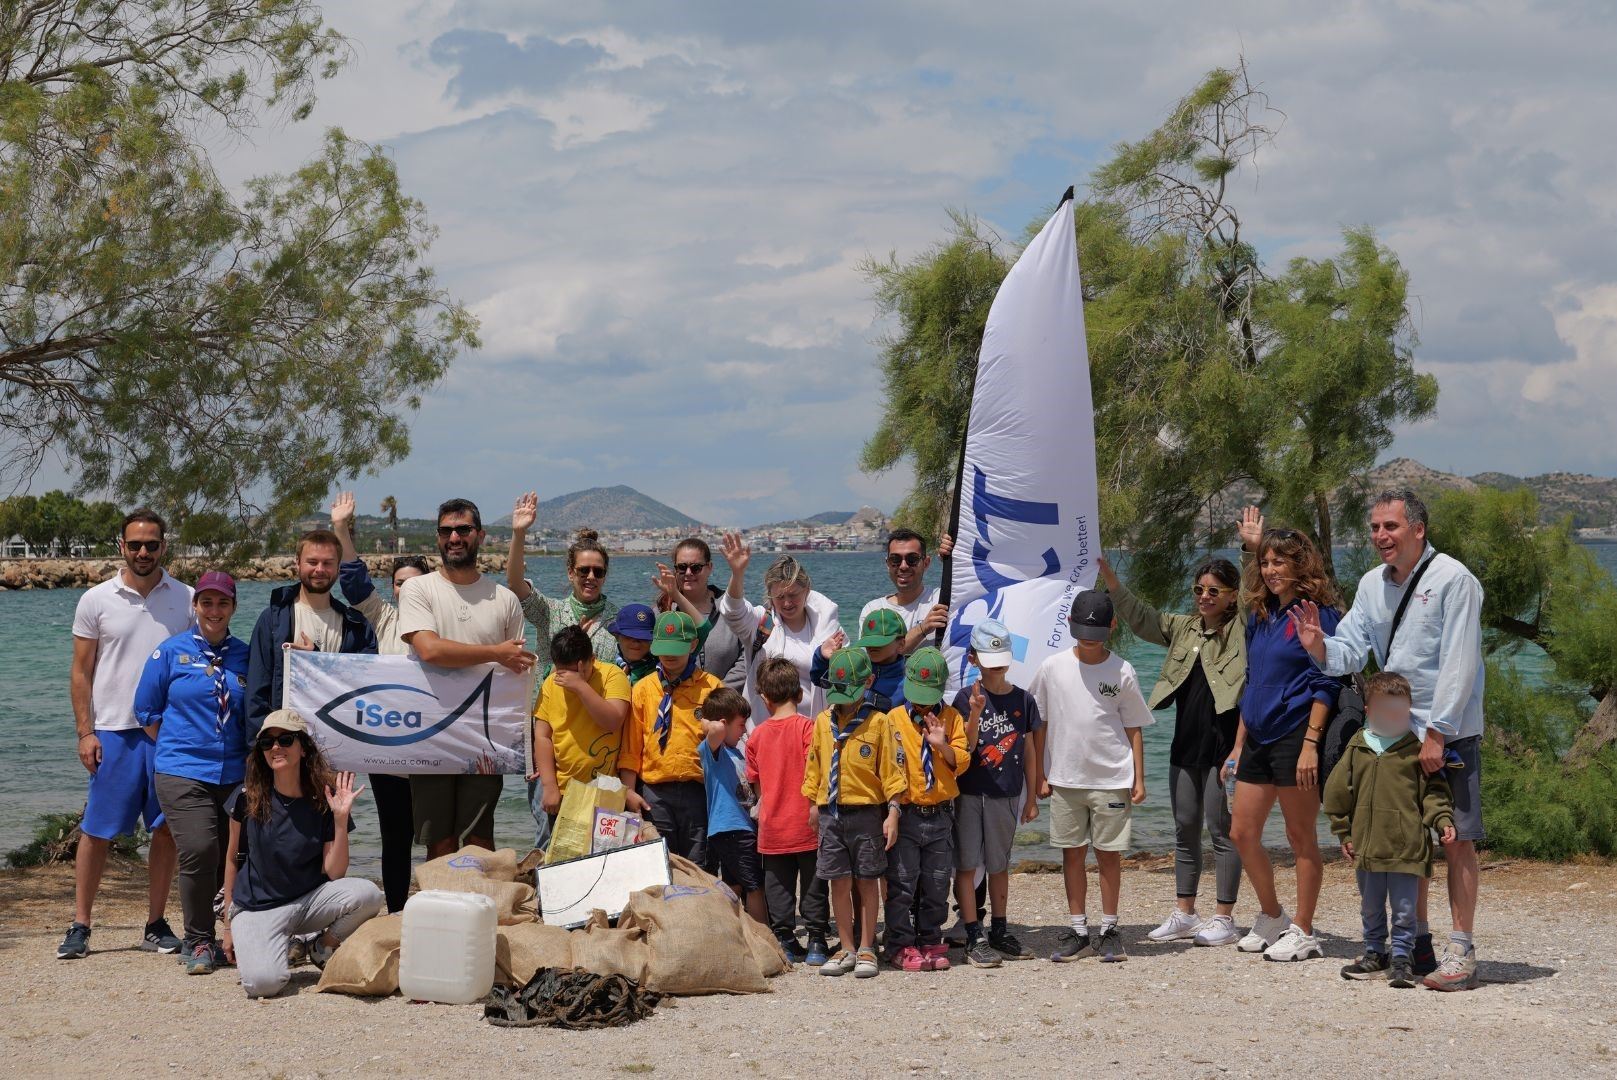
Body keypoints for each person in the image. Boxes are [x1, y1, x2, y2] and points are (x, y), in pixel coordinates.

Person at [1290, 488, 1486, 991]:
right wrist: (1319, 646)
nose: (1380, 536)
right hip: (1395, 733)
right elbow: (1351, 650)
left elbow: (1459, 663)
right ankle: (1414, 946)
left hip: (1448, 733)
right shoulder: (1372, 585)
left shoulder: (1454, 580)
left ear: (1418, 529)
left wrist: (1438, 733)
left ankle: (1461, 950)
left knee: (1456, 838)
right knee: (1407, 839)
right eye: (1375, 528)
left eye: (1391, 527)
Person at [58, 508, 193, 960]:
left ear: (163, 546)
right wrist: (85, 732)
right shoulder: (96, 600)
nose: (142, 552)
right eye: (134, 544)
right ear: (122, 546)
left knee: (166, 831)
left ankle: (155, 924)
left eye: (151, 544)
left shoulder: (187, 598)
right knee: (97, 831)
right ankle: (80, 925)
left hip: (168, 735)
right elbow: (81, 672)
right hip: (113, 732)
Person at [1098, 552, 1246, 948]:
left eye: (1214, 590)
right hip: (1185, 745)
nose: (1204, 596)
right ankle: (1185, 913)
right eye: (1199, 589)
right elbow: (1142, 616)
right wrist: (1113, 582)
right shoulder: (1184, 629)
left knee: (1222, 831)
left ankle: (1224, 918)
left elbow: (1256, 600)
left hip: (1224, 748)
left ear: (1232, 596)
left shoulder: (1242, 631)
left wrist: (1250, 550)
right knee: (1184, 829)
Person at [1225, 515, 1342, 963]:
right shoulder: (1262, 614)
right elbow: (1253, 680)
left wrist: (1312, 742)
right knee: (1242, 831)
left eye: (1280, 562)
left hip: (1297, 736)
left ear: (1300, 565)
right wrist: (1238, 744)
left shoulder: (1318, 614)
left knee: (1299, 836)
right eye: (1266, 562)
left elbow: (1326, 682)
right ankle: (1272, 915)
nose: (1271, 570)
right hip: (1257, 734)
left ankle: (1304, 929)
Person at [398, 498, 534, 858]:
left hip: (485, 738)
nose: (454, 537)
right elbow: (429, 649)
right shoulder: (418, 589)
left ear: (480, 536)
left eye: (463, 529)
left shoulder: (505, 599)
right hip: (429, 733)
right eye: (446, 531)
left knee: (479, 841)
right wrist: (494, 652)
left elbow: (516, 670)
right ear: (438, 538)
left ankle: (480, 909)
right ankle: (439, 911)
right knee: (438, 842)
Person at [220, 710, 385, 997]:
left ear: (303, 748)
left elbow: (335, 873)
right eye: (267, 743)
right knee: (264, 985)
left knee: (368, 894)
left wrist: (340, 820)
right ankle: (279, 945)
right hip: (258, 907)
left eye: (285, 740)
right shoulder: (247, 797)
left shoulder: (323, 799)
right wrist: (227, 926)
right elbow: (233, 858)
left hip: (307, 903)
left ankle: (321, 946)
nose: (275, 748)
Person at [134, 571, 251, 974]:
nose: (214, 611)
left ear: (233, 607)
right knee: (200, 849)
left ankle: (233, 935)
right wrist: (182, 743)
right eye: (206, 603)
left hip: (235, 773)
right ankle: (197, 940)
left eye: (222, 603)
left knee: (233, 857)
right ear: (195, 606)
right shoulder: (170, 652)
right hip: (182, 771)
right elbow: (146, 711)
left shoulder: (247, 655)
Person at [1031, 591, 1151, 964]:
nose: (1089, 639)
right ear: (1069, 625)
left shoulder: (1123, 670)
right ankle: (1079, 930)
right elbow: (1040, 724)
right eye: (1083, 631)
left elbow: (1133, 727)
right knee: (1072, 854)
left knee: (1109, 855)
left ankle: (1110, 929)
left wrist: (1140, 778)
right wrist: (1040, 774)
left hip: (1112, 777)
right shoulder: (1052, 667)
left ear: (1112, 627)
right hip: (1065, 778)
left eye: (1096, 633)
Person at [1324, 673, 1456, 988]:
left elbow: (1434, 792)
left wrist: (1442, 820)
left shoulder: (1416, 748)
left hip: (1407, 846)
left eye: (1401, 712)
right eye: (1386, 712)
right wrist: (1344, 832)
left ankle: (1401, 958)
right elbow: (1336, 792)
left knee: (1405, 908)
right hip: (1367, 848)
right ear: (1368, 710)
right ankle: (1373, 952)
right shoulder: (1358, 746)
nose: (1394, 718)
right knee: (1370, 906)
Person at [330, 491, 426, 912]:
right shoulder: (383, 619)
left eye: (415, 583)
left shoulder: (444, 627)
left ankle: (440, 912)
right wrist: (341, 530)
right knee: (395, 839)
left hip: (436, 754)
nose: (407, 589)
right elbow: (352, 582)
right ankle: (398, 913)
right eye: (400, 583)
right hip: (389, 758)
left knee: (442, 839)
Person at [801, 648, 905, 979]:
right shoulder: (823, 721)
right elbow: (815, 765)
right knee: (838, 881)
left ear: (870, 681)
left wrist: (893, 812)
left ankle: (866, 946)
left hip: (866, 813)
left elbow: (891, 769)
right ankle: (845, 946)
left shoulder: (879, 721)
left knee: (867, 880)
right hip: (831, 813)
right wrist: (813, 803)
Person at [949, 619, 1042, 967]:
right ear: (973, 659)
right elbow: (967, 747)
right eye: (988, 659)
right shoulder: (964, 698)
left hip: (1006, 793)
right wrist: (974, 713)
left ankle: (999, 930)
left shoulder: (1024, 699)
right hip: (970, 792)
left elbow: (1030, 749)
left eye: (1001, 658)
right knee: (967, 862)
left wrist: (1032, 795)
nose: (996, 666)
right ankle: (973, 933)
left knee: (1000, 863)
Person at [246, 528, 378, 739]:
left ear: (338, 566)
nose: (320, 569)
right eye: (312, 562)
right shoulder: (272, 620)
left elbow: (364, 689)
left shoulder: (357, 625)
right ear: (297, 562)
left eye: (327, 563)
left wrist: (315, 659)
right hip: (285, 743)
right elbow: (256, 691)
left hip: (337, 741)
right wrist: (258, 748)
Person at [884, 646, 969, 973]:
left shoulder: (951, 718)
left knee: (936, 882)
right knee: (903, 883)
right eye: (917, 696)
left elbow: (961, 762)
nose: (922, 703)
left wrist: (941, 744)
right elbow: (889, 767)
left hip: (940, 815)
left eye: (928, 696)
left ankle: (931, 938)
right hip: (906, 814)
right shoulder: (894, 719)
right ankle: (900, 944)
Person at [617, 611, 723, 864]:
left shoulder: (712, 687)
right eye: (663, 648)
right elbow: (632, 746)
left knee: (698, 865)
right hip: (654, 792)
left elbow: (726, 747)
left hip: (697, 790)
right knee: (658, 864)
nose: (669, 655)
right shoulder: (643, 689)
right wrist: (628, 791)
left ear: (694, 644)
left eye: (677, 647)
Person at [745, 656, 831, 966]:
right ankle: (818, 940)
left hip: (773, 824)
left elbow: (755, 783)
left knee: (778, 887)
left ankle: (784, 939)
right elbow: (819, 771)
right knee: (814, 885)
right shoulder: (809, 728)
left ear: (764, 698)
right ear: (799, 694)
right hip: (808, 820)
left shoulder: (756, 736)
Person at [528, 626, 632, 852]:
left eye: (573, 672)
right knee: (557, 855)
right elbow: (543, 736)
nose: (565, 678)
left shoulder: (612, 676)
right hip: (564, 789)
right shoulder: (550, 683)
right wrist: (549, 785)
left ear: (591, 660)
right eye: (561, 671)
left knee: (601, 855)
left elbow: (613, 720)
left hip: (604, 790)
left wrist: (581, 687)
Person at [716, 532, 842, 721]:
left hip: (813, 734)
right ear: (770, 595)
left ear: (807, 590)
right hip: (766, 733)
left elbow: (844, 675)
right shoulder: (761, 623)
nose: (787, 603)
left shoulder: (827, 625)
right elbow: (732, 611)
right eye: (780, 597)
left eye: (793, 595)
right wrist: (737, 574)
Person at [507, 492, 620, 667]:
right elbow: (515, 584)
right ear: (571, 573)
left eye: (598, 572)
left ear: (604, 576)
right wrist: (519, 532)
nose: (591, 577)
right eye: (583, 570)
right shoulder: (550, 613)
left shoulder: (618, 620)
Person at [699, 688, 769, 924]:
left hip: (740, 828)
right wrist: (706, 722)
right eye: (741, 725)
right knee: (755, 886)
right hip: (731, 828)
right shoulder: (712, 750)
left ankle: (735, 931)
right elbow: (717, 729)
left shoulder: (735, 753)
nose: (744, 731)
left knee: (735, 886)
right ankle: (765, 936)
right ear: (722, 723)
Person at [657, 537, 746, 688]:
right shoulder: (662, 613)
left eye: (696, 567)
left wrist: (718, 693)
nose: (688, 573)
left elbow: (747, 656)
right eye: (682, 567)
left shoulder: (732, 608)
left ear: (709, 567)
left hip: (728, 703)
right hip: (680, 704)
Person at [861, 529, 955, 655]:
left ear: (926, 563)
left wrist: (954, 559)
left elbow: (975, 588)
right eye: (895, 560)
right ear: (888, 564)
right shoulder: (874, 610)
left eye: (912, 559)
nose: (903, 566)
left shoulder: (942, 599)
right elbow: (875, 656)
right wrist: (923, 628)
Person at [808, 607, 908, 709]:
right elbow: (819, 679)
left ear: (901, 645)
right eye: (868, 641)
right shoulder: (856, 668)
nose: (872, 646)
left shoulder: (908, 685)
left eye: (880, 642)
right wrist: (823, 658)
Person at [606, 603, 659, 686]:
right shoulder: (606, 668)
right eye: (629, 636)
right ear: (617, 636)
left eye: (643, 637)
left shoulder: (661, 671)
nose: (636, 642)